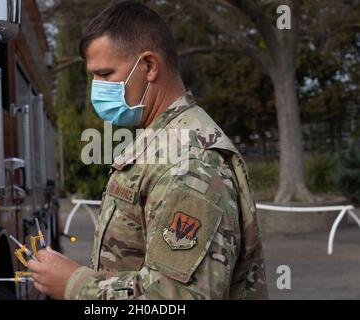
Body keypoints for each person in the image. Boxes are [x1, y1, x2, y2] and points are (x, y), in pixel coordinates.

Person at [28, 1, 268, 300]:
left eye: (105, 74)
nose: (96, 88)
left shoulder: (189, 162)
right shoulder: (161, 143)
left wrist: (75, 285)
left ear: (150, 66)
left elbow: (176, 298)